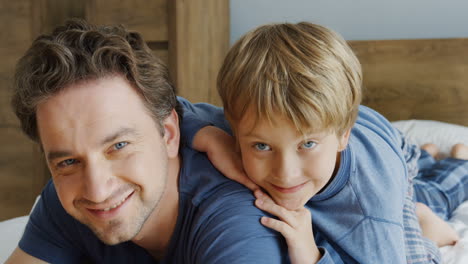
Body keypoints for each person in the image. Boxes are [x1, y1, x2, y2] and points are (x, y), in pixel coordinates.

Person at [6, 19, 292, 263]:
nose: (97, 190)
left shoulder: (237, 223)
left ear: (168, 133)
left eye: (118, 147)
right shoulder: (71, 197)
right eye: (68, 161)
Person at [185, 22, 468, 263]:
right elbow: (164, 108)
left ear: (344, 135)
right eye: (262, 146)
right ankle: (428, 155)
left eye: (307, 144)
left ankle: (457, 165)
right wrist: (208, 137)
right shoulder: (254, 112)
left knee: (427, 209)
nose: (285, 173)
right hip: (369, 149)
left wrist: (311, 255)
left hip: (390, 157)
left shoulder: (372, 213)